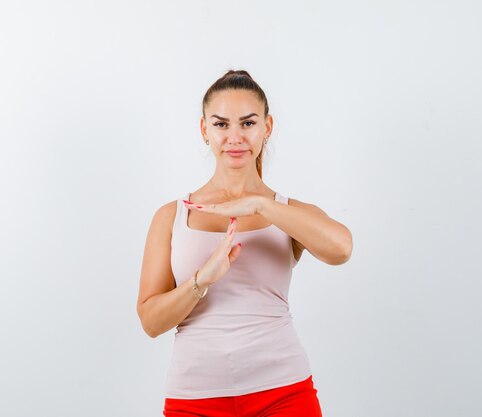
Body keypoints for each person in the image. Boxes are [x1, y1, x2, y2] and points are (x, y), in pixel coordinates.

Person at [136, 69, 353, 417]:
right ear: (204, 129)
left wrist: (260, 204)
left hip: (283, 394)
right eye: (221, 124)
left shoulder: (285, 211)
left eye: (247, 123)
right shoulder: (171, 216)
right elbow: (151, 322)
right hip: (194, 399)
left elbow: (341, 248)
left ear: (267, 127)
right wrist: (200, 281)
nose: (235, 136)